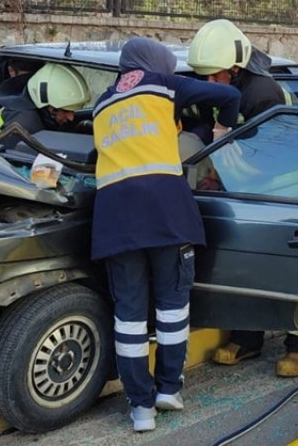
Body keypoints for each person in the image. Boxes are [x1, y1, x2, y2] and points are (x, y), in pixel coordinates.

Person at [91, 37, 241, 432]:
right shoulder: (163, 85)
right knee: (172, 306)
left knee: (128, 316)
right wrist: (222, 132)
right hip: (165, 213)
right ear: (155, 63)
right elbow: (228, 94)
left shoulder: (101, 104)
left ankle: (140, 408)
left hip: (114, 220)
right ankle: (168, 388)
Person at [189, 19, 298, 378]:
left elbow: (265, 155)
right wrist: (217, 174)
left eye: (215, 77)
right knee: (243, 268)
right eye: (204, 78)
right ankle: (247, 338)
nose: (208, 84)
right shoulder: (218, 87)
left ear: (234, 68)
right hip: (245, 191)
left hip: (287, 192)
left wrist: (225, 169)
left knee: (287, 271)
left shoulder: (263, 93)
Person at [0, 62, 86, 137]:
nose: (71, 117)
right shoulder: (28, 125)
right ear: (48, 107)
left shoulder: (26, 106)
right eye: (66, 111)